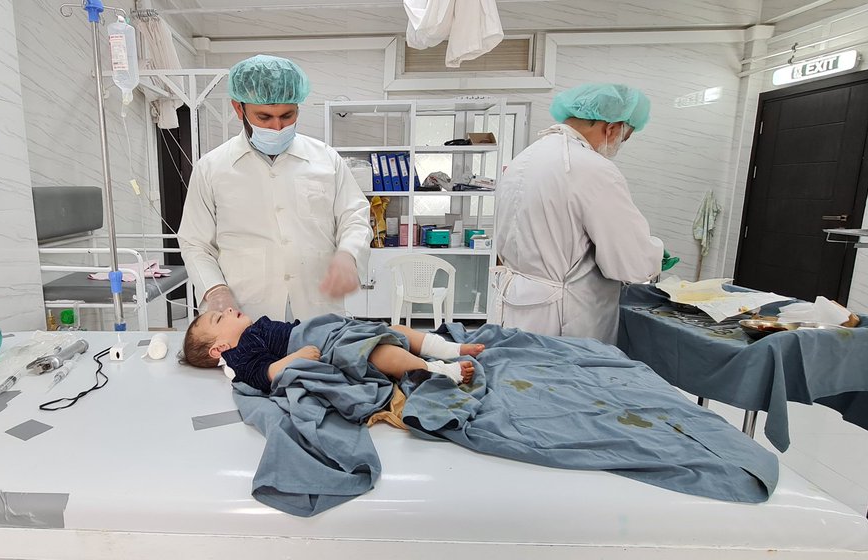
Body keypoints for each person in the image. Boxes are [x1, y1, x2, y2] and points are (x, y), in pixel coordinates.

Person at [178, 55, 371, 322]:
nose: (277, 127)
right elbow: (195, 242)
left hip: (318, 307)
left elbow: (355, 217)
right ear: (239, 109)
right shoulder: (212, 168)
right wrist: (214, 289)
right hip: (245, 311)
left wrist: (349, 254)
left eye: (287, 115)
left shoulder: (326, 159)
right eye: (264, 117)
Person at [489, 83, 664, 345]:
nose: (617, 145)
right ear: (612, 128)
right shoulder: (593, 168)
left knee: (518, 375)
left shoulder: (524, 159)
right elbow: (629, 263)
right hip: (563, 317)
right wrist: (654, 251)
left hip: (514, 304)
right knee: (560, 381)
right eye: (623, 139)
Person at [181, 308, 483, 392]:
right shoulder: (239, 356)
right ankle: (439, 370)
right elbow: (265, 374)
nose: (229, 308)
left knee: (395, 329)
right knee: (380, 352)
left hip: (326, 328)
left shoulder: (250, 332)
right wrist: (296, 358)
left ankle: (450, 348)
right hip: (322, 344)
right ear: (219, 348)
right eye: (219, 318)